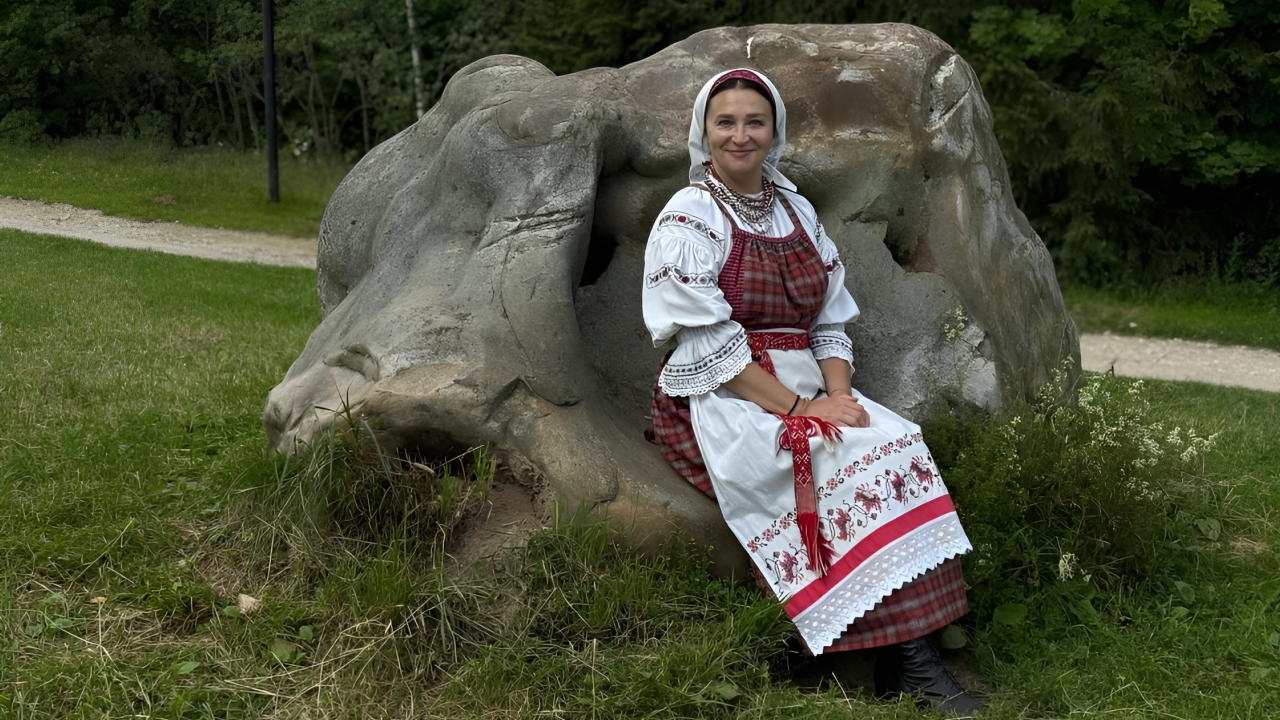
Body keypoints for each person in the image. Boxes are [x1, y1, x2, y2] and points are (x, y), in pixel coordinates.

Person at [642, 68, 985, 716]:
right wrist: (803, 410)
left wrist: (839, 396)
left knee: (896, 442)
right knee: (841, 461)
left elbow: (829, 319)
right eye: (726, 122)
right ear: (705, 132)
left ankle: (900, 658)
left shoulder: (795, 211)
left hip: (804, 380)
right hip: (724, 391)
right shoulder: (688, 218)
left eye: (754, 121)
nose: (740, 134)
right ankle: (911, 662)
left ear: (773, 132)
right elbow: (704, 343)